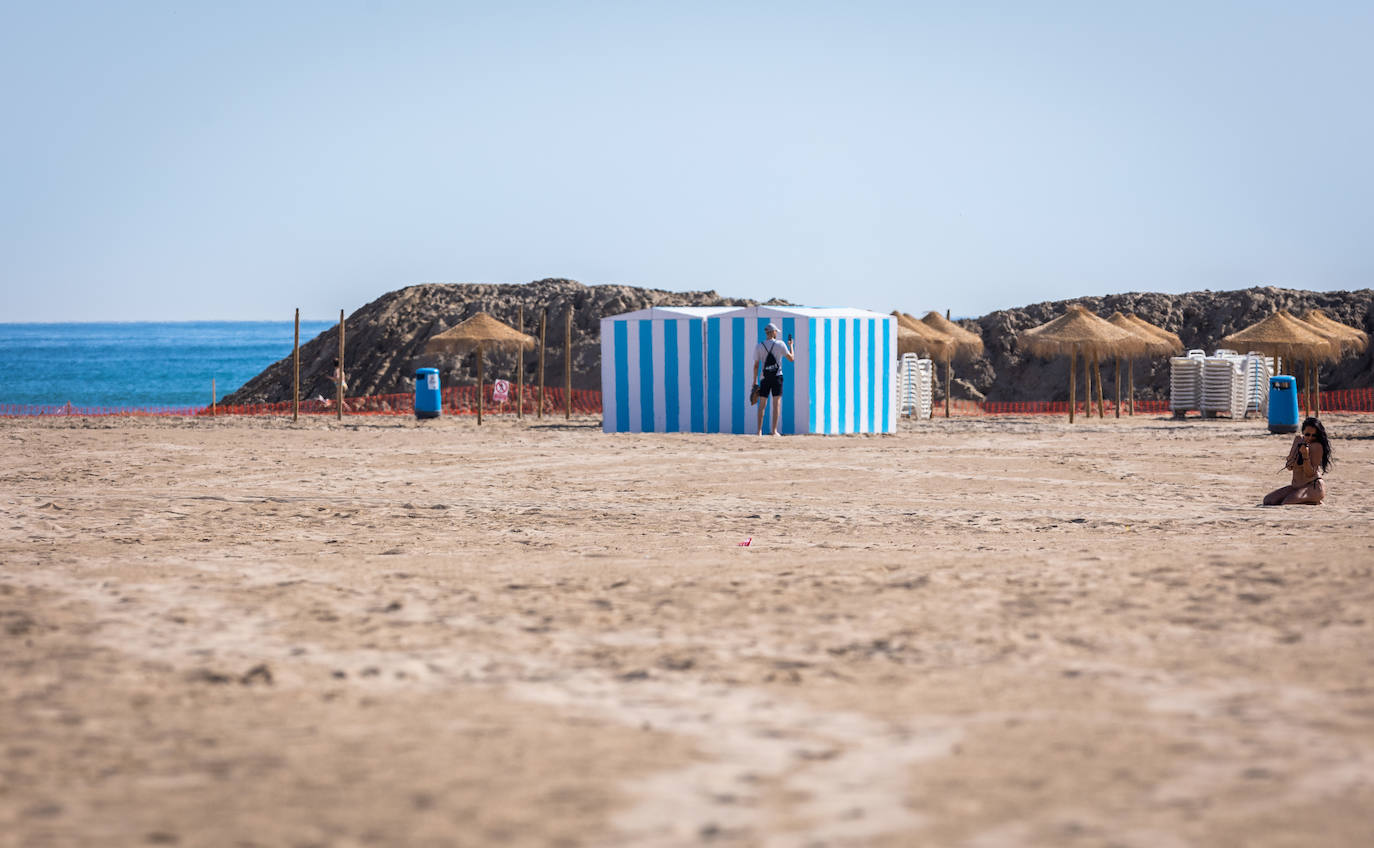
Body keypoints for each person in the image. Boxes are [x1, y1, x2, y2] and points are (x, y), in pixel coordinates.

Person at [1263, 417, 1331, 505]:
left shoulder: (1317, 446)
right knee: (1268, 500)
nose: (1310, 438)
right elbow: (1289, 467)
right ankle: (1309, 500)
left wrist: (1305, 457)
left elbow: (1310, 473)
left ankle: (1315, 500)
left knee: (1287, 502)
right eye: (1307, 434)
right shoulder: (1298, 440)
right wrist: (1293, 457)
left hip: (1313, 486)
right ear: (1303, 432)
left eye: (1314, 435)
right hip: (1297, 486)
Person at [752, 323, 794, 436]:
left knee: (762, 405)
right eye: (776, 331)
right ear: (773, 332)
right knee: (776, 404)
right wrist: (791, 345)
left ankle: (759, 431)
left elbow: (756, 365)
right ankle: (774, 431)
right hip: (777, 377)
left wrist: (754, 381)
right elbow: (791, 358)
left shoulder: (759, 346)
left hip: (764, 378)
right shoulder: (781, 344)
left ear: (766, 333)